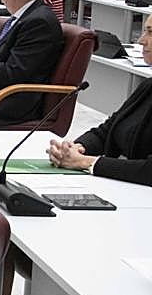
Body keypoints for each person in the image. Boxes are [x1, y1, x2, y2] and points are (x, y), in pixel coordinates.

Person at [48, 15, 152, 185]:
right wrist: (77, 148)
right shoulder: (148, 86)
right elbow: (108, 129)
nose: (141, 41)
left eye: (150, 32)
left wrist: (86, 162)